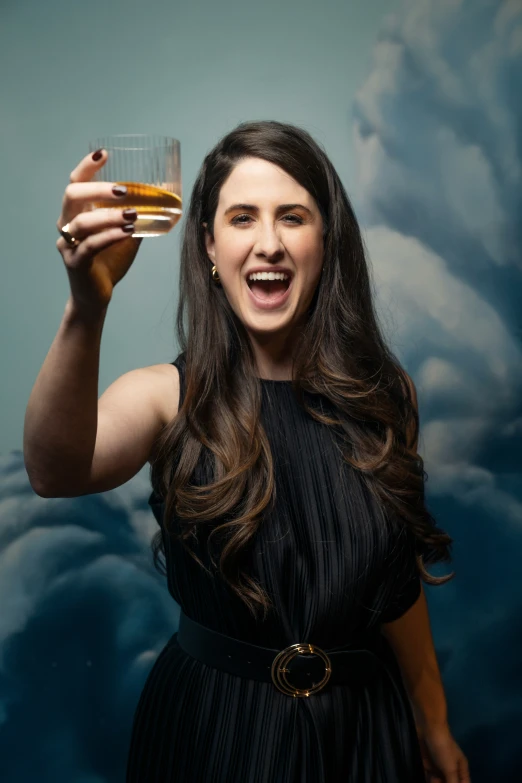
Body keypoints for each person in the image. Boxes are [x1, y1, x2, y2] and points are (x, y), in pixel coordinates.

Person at [24, 120, 471, 782]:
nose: (269, 243)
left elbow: (393, 582)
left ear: (326, 241)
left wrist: (431, 719)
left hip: (364, 737)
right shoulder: (162, 396)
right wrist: (85, 308)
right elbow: (55, 471)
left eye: (293, 217)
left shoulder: (385, 394)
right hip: (211, 731)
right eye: (242, 218)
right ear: (208, 244)